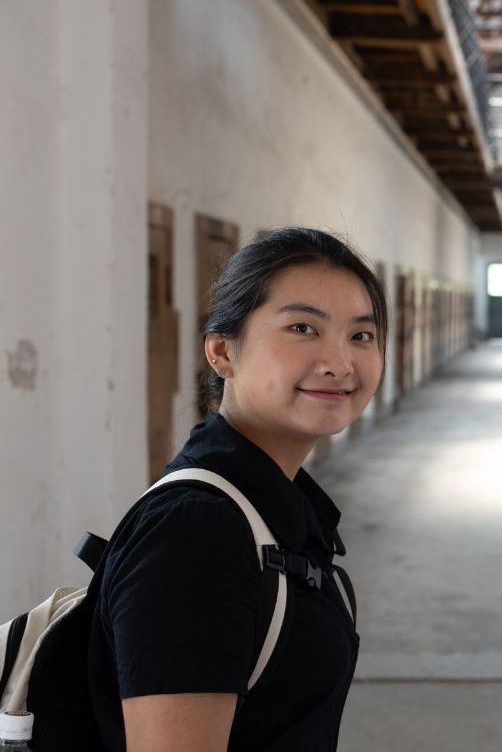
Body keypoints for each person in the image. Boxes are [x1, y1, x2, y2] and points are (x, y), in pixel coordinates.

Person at [88, 227, 387, 751]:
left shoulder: (269, 507)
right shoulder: (195, 532)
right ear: (223, 352)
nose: (340, 363)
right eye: (302, 328)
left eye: (361, 336)